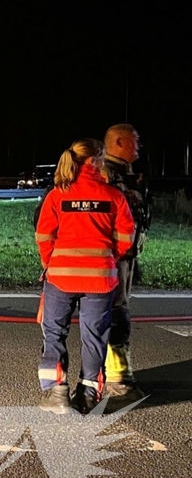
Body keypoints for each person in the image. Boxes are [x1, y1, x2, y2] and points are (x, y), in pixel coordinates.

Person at [35, 139, 136, 415]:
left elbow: (44, 236)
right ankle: (89, 395)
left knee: (54, 333)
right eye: (101, 159)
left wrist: (51, 263)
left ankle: (57, 394)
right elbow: (127, 237)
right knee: (94, 336)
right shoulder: (114, 196)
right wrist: (108, 258)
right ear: (94, 162)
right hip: (100, 279)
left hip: (61, 277)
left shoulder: (57, 195)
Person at [103, 123, 151, 400]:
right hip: (114, 257)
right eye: (135, 141)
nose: (139, 146)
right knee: (116, 311)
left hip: (126, 255)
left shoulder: (125, 175)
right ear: (119, 143)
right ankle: (118, 380)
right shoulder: (108, 175)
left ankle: (114, 375)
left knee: (118, 309)